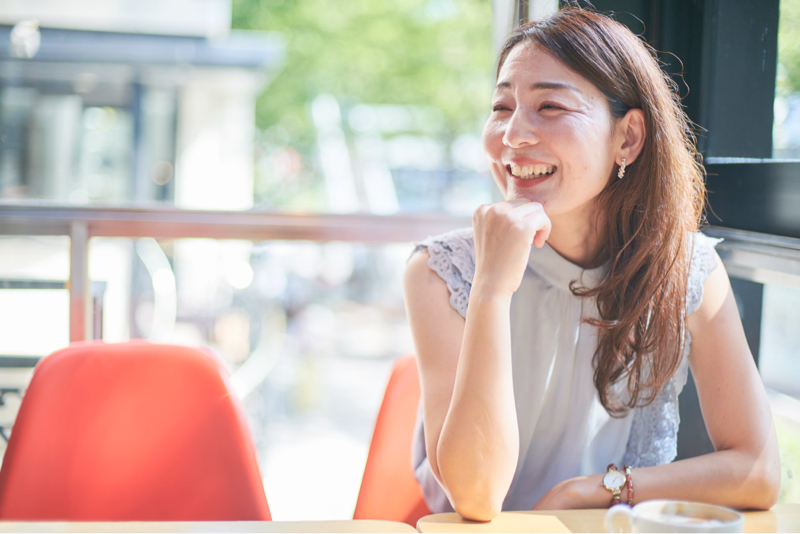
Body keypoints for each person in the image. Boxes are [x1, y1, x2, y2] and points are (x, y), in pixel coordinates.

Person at [403, 7, 781, 521]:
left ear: (626, 138)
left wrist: (594, 490)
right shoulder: (442, 272)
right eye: (501, 106)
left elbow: (757, 470)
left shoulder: (684, 268)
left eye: (550, 106)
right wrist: (491, 289)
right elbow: (476, 497)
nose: (513, 134)